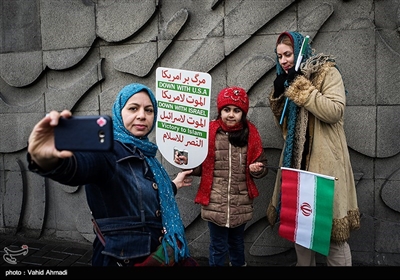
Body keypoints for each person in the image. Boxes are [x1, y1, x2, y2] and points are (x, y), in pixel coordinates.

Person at [26, 82, 197, 267]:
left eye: (149, 110)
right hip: (120, 260)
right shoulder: (107, 151)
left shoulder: (147, 155)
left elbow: (147, 192)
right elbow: (79, 166)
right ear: (119, 112)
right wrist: (47, 159)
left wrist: (173, 184)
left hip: (154, 256)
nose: (142, 115)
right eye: (133, 108)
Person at [266, 31, 360, 266]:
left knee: (333, 239)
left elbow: (334, 111)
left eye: (288, 54)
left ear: (299, 52)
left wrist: (301, 87)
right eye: (279, 57)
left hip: (325, 167)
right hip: (297, 168)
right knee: (301, 232)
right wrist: (280, 94)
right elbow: (286, 126)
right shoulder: (289, 78)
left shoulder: (327, 71)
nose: (284, 61)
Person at [175, 86, 268, 267]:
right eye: (226, 110)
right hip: (214, 203)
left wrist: (257, 169)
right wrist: (186, 163)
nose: (231, 115)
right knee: (218, 246)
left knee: (236, 244)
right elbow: (200, 166)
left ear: (243, 113)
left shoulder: (251, 134)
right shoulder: (209, 133)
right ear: (220, 111)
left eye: (236, 110)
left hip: (240, 204)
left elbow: (261, 165)